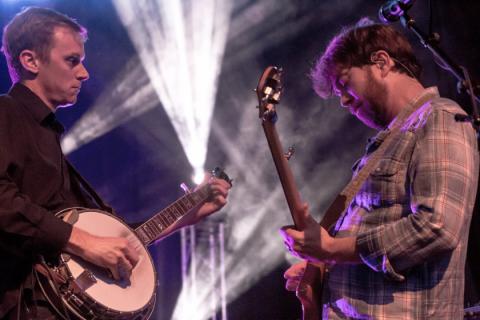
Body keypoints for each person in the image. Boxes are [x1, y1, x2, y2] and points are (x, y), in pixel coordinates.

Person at [0, 7, 231, 319]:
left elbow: (110, 243)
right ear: (30, 61)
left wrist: (187, 216)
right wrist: (83, 242)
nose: (84, 73)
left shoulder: (49, 137)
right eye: (72, 60)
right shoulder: (6, 113)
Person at [280, 18, 479, 319]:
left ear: (382, 62)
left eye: (345, 84)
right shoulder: (385, 143)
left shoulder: (440, 118)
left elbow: (436, 227)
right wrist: (327, 272)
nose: (344, 100)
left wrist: (333, 249)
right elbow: (371, 234)